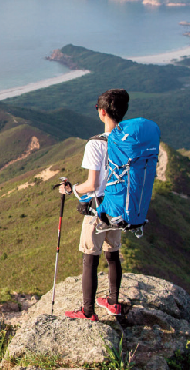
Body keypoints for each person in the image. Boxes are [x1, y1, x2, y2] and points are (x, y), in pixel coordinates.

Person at [59, 88, 129, 320]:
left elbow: (92, 184)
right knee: (113, 255)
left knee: (90, 258)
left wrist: (72, 189)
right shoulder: (127, 142)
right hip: (119, 208)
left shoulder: (95, 144)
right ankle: (113, 302)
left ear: (102, 112)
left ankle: (88, 311)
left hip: (98, 210)